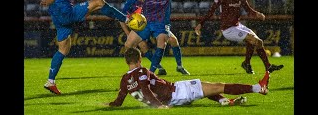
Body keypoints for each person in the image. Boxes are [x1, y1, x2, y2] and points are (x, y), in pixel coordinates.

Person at [40, 0, 129, 95]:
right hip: (65, 12)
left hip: (58, 16)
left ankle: (50, 81)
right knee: (99, 2)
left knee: (63, 49)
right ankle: (126, 19)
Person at [122, 0, 217, 74]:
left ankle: (151, 74)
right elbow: (130, 1)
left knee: (162, 42)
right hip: (145, 22)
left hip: (161, 22)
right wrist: (125, 14)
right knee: (128, 44)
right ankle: (135, 70)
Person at [104, 47, 270, 108]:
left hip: (173, 96)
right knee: (219, 85)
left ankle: (221, 100)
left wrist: (110, 104)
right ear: (139, 60)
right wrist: (158, 106)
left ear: (126, 62)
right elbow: (146, 89)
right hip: (177, 92)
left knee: (207, 88)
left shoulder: (124, 80)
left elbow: (119, 100)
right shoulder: (142, 71)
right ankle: (258, 88)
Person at [194, 0, 284, 74]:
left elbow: (248, 10)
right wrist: (200, 24)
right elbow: (211, 11)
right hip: (228, 30)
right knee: (254, 40)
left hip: (237, 26)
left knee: (259, 42)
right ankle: (268, 66)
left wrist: (257, 14)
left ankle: (247, 63)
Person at [120, 0, 190, 75]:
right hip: (141, 29)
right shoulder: (132, 3)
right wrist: (128, 34)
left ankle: (180, 66)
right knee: (142, 46)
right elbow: (121, 19)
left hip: (156, 26)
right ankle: (157, 68)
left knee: (173, 40)